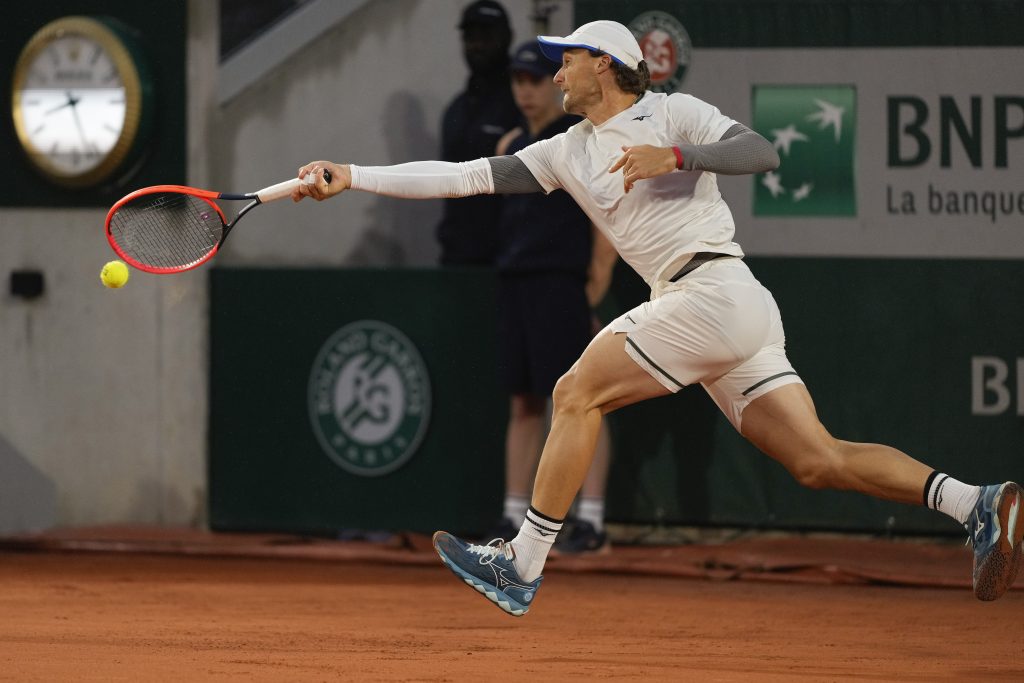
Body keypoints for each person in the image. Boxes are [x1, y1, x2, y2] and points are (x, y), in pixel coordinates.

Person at [293, 20, 1024, 616]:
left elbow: (760, 150)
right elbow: (460, 179)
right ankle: (975, 502)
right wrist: (352, 176)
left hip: (712, 293)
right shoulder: (566, 150)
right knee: (816, 459)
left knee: (574, 392)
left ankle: (522, 562)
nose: (555, 75)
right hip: (724, 308)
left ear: (606, 65)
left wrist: (673, 153)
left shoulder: (669, 108)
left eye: (567, 60)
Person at [486, 41, 618, 554]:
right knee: (523, 403)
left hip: (561, 288)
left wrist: (591, 288)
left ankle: (590, 520)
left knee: (582, 400)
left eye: (535, 80)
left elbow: (605, 224)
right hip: (515, 286)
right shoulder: (509, 146)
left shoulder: (576, 143)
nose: (526, 91)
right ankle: (511, 515)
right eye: (518, 81)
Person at [435, 0, 521, 266]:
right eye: (470, 37)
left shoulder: (524, 102)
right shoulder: (456, 110)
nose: (477, 45)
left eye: (486, 36)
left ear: (506, 38)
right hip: (457, 257)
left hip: (510, 261)